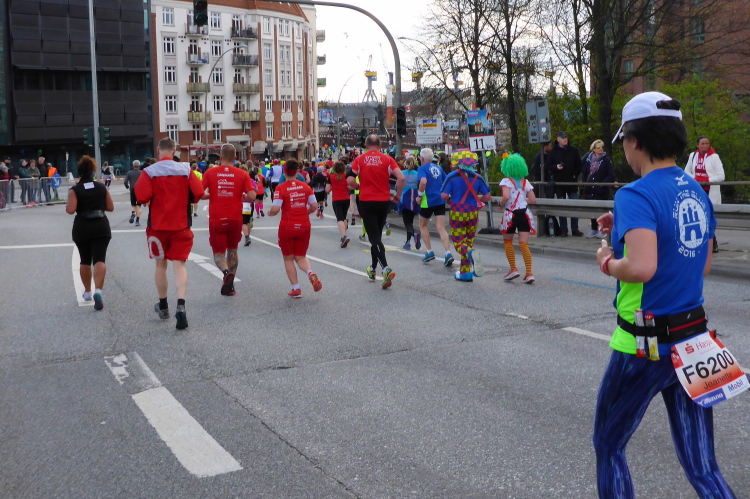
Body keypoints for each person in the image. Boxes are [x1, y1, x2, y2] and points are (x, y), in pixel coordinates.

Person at [592, 91, 735, 498]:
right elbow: (701, 264)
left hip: (644, 343)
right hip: (695, 341)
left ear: (635, 140)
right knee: (703, 466)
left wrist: (607, 260)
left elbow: (640, 268)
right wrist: (627, 225)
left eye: (624, 141)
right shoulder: (697, 191)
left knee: (609, 445)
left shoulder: (634, 193)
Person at [135, 137, 205, 330]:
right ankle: (181, 306)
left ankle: (163, 305)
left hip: (157, 227)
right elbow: (198, 192)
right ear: (174, 152)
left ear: (158, 151)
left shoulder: (149, 172)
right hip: (181, 226)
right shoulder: (185, 170)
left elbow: (142, 196)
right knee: (179, 265)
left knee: (160, 265)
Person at [348, 134, 405, 289]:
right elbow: (401, 178)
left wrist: (359, 187)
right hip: (383, 201)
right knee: (377, 237)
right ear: (380, 146)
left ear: (366, 145)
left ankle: (385, 268)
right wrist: (398, 195)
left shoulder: (359, 159)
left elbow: (350, 180)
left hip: (367, 201)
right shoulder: (388, 159)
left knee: (373, 238)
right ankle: (373, 270)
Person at [201, 144, 256, 296]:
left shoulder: (210, 172)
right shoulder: (242, 173)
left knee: (218, 253)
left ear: (220, 157)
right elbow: (252, 196)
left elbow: (199, 193)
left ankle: (226, 273)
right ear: (235, 157)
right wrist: (242, 195)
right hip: (235, 219)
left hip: (217, 219)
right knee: (233, 250)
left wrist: (212, 194)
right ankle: (230, 287)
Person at [66, 155, 114, 310]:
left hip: (83, 227)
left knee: (85, 260)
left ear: (79, 172)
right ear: (93, 171)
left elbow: (70, 210)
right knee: (100, 259)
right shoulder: (101, 187)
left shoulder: (75, 190)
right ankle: (98, 290)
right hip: (101, 225)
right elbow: (111, 207)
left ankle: (87, 292)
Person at [269, 158, 322, 298]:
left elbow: (275, 208)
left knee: (288, 259)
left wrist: (270, 213)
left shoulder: (281, 188)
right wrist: (305, 212)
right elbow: (314, 206)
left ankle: (296, 288)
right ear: (297, 171)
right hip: (304, 225)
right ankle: (310, 273)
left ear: (285, 171)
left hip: (288, 226)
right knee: (301, 256)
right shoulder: (306, 187)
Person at [440, 149, 491, 282]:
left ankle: (470, 254)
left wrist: (449, 201)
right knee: (468, 242)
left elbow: (444, 195)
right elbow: (487, 197)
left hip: (457, 211)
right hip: (473, 212)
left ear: (458, 161)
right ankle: (465, 273)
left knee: (459, 243)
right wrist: (476, 198)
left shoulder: (452, 176)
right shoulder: (478, 177)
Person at [498, 154, 537, 283]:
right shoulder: (525, 182)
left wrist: (501, 204)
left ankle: (513, 269)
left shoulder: (506, 181)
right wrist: (522, 201)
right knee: (524, 244)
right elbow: (533, 200)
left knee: (508, 242)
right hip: (525, 214)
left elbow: (506, 196)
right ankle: (529, 273)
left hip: (511, 215)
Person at [685, 136, 724, 253]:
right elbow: (686, 171)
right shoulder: (693, 156)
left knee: (708, 217)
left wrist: (707, 180)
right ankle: (703, 243)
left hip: (710, 191)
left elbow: (721, 176)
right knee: (698, 218)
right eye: (702, 144)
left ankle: (713, 243)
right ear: (697, 145)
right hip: (697, 191)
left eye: (707, 143)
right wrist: (695, 179)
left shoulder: (714, 157)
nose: (705, 146)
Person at [417, 148, 454, 266]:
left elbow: (423, 181)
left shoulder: (422, 168)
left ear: (422, 158)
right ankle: (448, 253)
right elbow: (447, 181)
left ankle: (429, 251)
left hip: (427, 200)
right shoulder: (439, 168)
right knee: (441, 227)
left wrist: (419, 195)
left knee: (423, 225)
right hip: (440, 199)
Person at [545, 131, 583, 236]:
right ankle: (563, 229)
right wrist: (556, 167)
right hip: (559, 183)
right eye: (562, 138)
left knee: (574, 205)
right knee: (561, 206)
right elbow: (548, 166)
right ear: (558, 140)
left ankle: (575, 228)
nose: (565, 139)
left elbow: (579, 165)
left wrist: (575, 175)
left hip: (572, 182)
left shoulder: (573, 150)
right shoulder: (553, 152)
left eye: (566, 137)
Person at [582, 140, 616, 238]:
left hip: (601, 190)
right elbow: (584, 172)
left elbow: (611, 175)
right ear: (593, 149)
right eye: (598, 147)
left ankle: (603, 229)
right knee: (592, 209)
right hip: (590, 189)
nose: (601, 149)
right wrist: (585, 184)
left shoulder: (606, 160)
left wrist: (602, 184)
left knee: (602, 210)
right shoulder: (588, 160)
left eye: (602, 147)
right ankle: (594, 229)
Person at [325, 161, 354, 248]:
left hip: (336, 199)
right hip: (346, 199)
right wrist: (347, 187)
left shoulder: (331, 177)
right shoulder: (347, 176)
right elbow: (352, 186)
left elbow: (327, 190)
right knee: (344, 217)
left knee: (339, 219)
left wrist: (333, 187)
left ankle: (343, 236)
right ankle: (344, 233)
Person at [399, 156, 421, 250]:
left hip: (405, 198)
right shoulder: (417, 174)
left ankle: (414, 234)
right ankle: (408, 242)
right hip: (415, 198)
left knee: (407, 222)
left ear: (406, 164)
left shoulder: (402, 173)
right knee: (410, 221)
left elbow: (397, 185)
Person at [124, 160, 143, 226]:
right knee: (139, 206)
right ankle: (137, 221)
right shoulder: (142, 173)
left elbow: (125, 182)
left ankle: (133, 213)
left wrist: (127, 187)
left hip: (132, 190)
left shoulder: (129, 173)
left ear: (133, 166)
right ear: (139, 166)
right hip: (140, 190)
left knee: (133, 205)